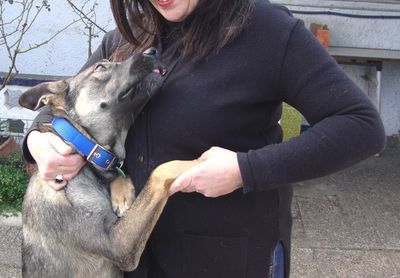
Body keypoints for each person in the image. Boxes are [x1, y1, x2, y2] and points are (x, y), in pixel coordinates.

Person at [24, 0, 386, 277]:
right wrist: (38, 140)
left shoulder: (267, 31)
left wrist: (247, 169)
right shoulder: (128, 39)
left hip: (231, 260)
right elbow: (65, 101)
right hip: (139, 266)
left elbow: (360, 126)